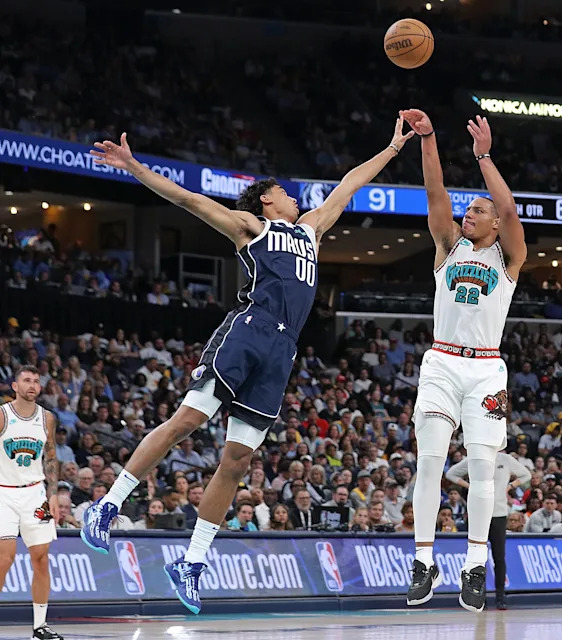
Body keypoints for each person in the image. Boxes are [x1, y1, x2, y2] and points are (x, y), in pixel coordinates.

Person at [80, 120, 415, 615]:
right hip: (247, 332)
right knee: (188, 422)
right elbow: (189, 200)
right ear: (265, 201)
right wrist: (133, 167)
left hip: (284, 351)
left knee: (237, 461)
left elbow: (350, 183)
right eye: (284, 191)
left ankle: (191, 563)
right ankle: (108, 505)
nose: (294, 196)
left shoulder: (312, 228)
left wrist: (391, 148)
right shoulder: (252, 228)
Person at [400, 109, 527, 613]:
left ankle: (474, 564)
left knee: (481, 467)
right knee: (429, 462)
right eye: (467, 211)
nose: (467, 215)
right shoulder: (448, 245)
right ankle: (423, 559)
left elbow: (511, 209)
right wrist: (428, 139)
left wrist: (484, 157)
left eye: (477, 211)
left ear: (495, 223)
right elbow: (435, 194)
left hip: (486, 370)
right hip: (442, 364)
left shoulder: (508, 256)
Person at [0, 366, 63, 639]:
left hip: (36, 493)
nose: (32, 385)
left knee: (41, 559)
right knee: (5, 558)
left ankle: (40, 626)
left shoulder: (47, 418)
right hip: (3, 492)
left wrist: (53, 493)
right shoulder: (2, 415)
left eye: (36, 381)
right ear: (15, 385)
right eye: (26, 380)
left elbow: (50, 456)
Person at [445, 450, 531, 609]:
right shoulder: (474, 457)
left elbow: (526, 475)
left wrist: (510, 486)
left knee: (499, 557)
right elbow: (451, 473)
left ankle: (500, 596)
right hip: (478, 513)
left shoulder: (506, 459)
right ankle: (479, 595)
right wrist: (469, 486)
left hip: (498, 513)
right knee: (478, 557)